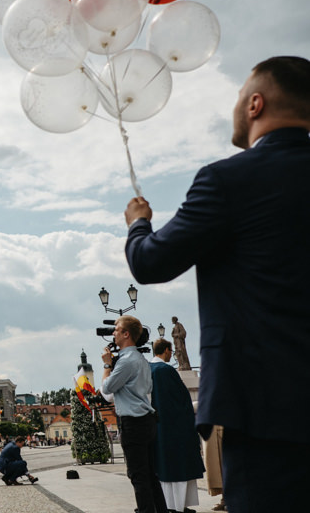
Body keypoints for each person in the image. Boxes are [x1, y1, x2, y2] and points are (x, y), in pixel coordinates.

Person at [124, 56, 310, 513]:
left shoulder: (229, 180)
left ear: (255, 104)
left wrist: (138, 224)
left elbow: (151, 262)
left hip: (263, 406)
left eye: (238, 96)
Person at [99, 315, 166, 513]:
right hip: (147, 420)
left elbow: (106, 391)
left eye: (116, 330)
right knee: (150, 474)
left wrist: (106, 365)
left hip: (134, 423)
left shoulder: (126, 361)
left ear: (126, 334)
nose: (113, 333)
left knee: (138, 475)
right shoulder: (141, 360)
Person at [149, 339, 204, 513]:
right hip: (174, 428)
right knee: (178, 468)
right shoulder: (165, 370)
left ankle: (168, 505)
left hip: (157, 427)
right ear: (166, 350)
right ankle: (178, 506)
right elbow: (181, 400)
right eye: (171, 351)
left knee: (163, 468)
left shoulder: (148, 369)